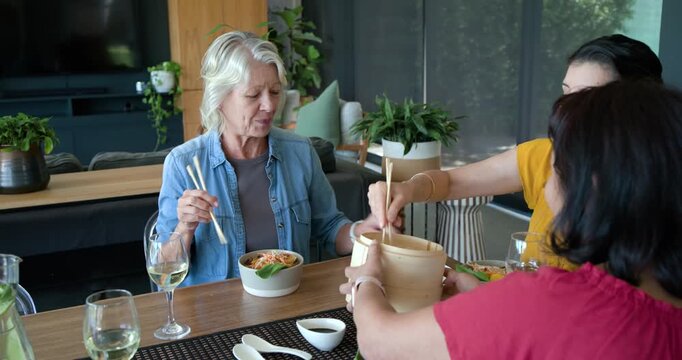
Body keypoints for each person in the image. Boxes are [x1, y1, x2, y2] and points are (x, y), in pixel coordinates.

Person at [342, 80, 682, 359]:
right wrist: (486, 304)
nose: (547, 186)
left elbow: (380, 343)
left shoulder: (547, 304)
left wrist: (367, 283)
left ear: (595, 184)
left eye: (557, 171)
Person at [368, 34, 663, 269]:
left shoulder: (653, 196)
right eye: (566, 92)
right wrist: (407, 189)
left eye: (586, 97)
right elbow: (453, 182)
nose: (566, 109)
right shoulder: (547, 155)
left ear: (633, 108)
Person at [155, 31, 385, 286]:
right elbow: (164, 270)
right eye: (253, 95)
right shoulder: (183, 164)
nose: (269, 105)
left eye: (275, 92)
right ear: (219, 99)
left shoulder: (300, 152)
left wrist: (363, 231)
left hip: (290, 302)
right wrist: (185, 228)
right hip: (218, 315)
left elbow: (330, 228)